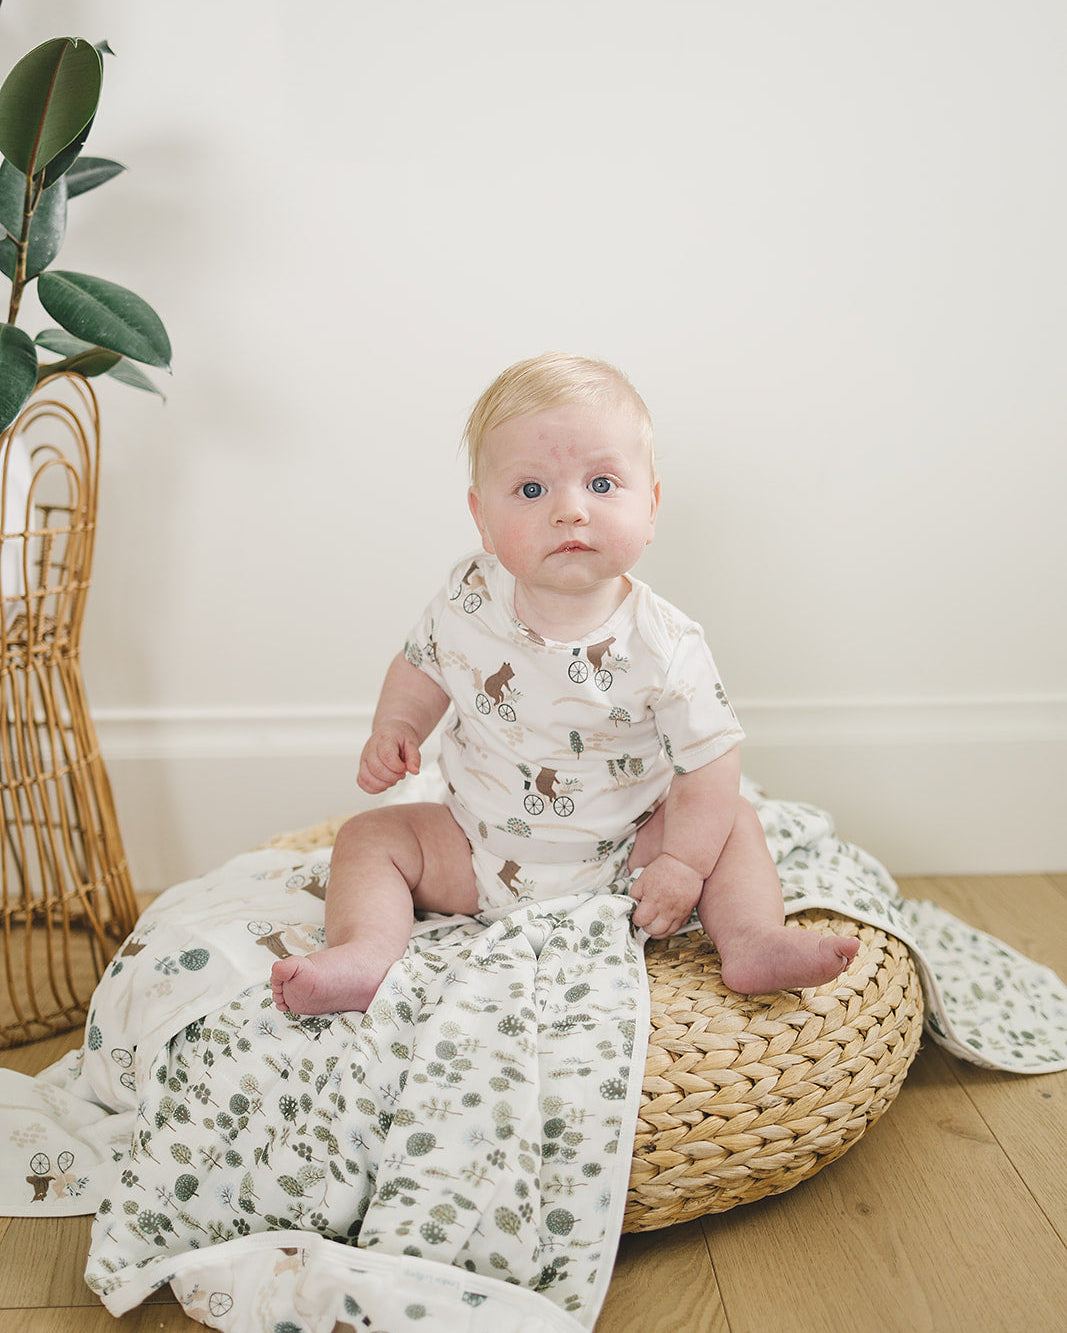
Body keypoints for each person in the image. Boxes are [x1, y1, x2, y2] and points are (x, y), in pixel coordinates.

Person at [271, 353, 859, 1015]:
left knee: (731, 824)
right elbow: (422, 663)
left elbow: (709, 762)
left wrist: (682, 865)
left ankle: (751, 937)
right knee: (367, 839)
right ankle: (366, 953)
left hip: (628, 855)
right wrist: (397, 727)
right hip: (474, 849)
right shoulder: (469, 596)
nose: (570, 511)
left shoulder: (665, 644)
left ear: (651, 506)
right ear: (481, 518)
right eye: (531, 490)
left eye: (602, 484)